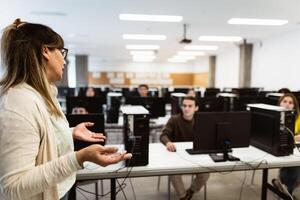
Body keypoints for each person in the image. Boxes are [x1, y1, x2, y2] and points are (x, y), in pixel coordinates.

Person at [0, 19, 132, 200]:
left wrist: (69, 132)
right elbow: (13, 187)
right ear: (45, 51)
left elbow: (38, 138)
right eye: (61, 52)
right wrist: (79, 158)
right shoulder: (18, 103)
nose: (64, 59)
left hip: (59, 188)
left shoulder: (40, 94)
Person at [160, 96, 209, 200]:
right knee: (174, 173)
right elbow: (163, 135)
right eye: (184, 106)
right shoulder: (174, 119)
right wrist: (168, 143)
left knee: (206, 172)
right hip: (177, 156)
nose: (186, 108)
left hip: (195, 156)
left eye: (190, 106)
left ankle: (191, 191)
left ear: (196, 108)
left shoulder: (201, 121)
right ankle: (183, 197)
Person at [272, 93, 300, 198]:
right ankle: (288, 189)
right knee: (296, 162)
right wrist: (295, 137)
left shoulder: (298, 117)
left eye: (290, 102)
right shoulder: (273, 117)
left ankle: (283, 186)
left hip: (294, 148)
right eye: (284, 101)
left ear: (294, 106)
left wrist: (292, 137)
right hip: (278, 149)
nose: (287, 104)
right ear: (279, 103)